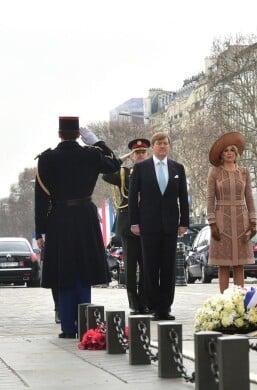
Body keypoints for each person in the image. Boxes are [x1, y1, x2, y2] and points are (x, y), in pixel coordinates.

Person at [34, 117, 121, 338]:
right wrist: (98, 142)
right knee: (84, 269)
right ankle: (86, 325)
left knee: (65, 270)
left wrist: (39, 231)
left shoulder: (46, 159)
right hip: (85, 216)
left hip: (59, 218)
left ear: (59, 134)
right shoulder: (91, 154)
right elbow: (116, 164)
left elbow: (41, 199)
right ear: (78, 134)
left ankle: (68, 328)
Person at [128, 132, 189, 320]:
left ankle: (165, 307)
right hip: (148, 224)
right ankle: (153, 305)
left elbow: (183, 198)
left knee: (168, 267)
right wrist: (134, 222)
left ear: (169, 146)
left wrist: (184, 222)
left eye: (165, 143)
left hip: (170, 225)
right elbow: (132, 197)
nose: (162, 146)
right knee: (150, 266)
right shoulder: (141, 168)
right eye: (159, 144)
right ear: (152, 147)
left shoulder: (177, 168)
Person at [103, 138, 150, 314]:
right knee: (130, 267)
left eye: (143, 152)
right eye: (136, 153)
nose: (140, 155)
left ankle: (144, 301)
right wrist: (123, 159)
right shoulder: (124, 172)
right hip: (128, 224)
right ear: (132, 155)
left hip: (147, 223)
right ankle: (133, 303)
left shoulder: (153, 170)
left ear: (147, 154)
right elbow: (106, 173)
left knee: (146, 266)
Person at [206, 132, 257, 293]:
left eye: (232, 150)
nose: (229, 153)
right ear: (221, 154)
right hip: (222, 219)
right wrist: (212, 222)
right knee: (223, 264)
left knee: (239, 263)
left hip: (241, 219)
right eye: (226, 150)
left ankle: (239, 301)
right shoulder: (214, 171)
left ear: (236, 153)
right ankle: (224, 302)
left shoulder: (244, 171)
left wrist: (253, 220)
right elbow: (209, 197)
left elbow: (249, 196)